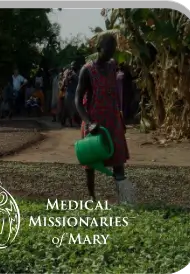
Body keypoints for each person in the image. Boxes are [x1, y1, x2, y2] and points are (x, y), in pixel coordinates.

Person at [75, 33, 130, 202]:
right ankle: (92, 197)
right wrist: (89, 122)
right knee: (90, 162)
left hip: (113, 120)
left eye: (114, 49)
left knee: (118, 160)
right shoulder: (87, 70)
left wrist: (122, 118)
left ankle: (123, 199)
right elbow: (77, 99)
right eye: (109, 49)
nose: (112, 53)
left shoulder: (113, 66)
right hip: (94, 122)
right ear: (99, 49)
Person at [62, 61, 80, 127]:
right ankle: (69, 123)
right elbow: (65, 84)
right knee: (68, 109)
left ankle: (76, 122)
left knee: (76, 109)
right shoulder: (69, 73)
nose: (73, 67)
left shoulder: (78, 73)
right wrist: (67, 76)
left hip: (75, 94)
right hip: (69, 94)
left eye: (74, 66)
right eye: (72, 66)